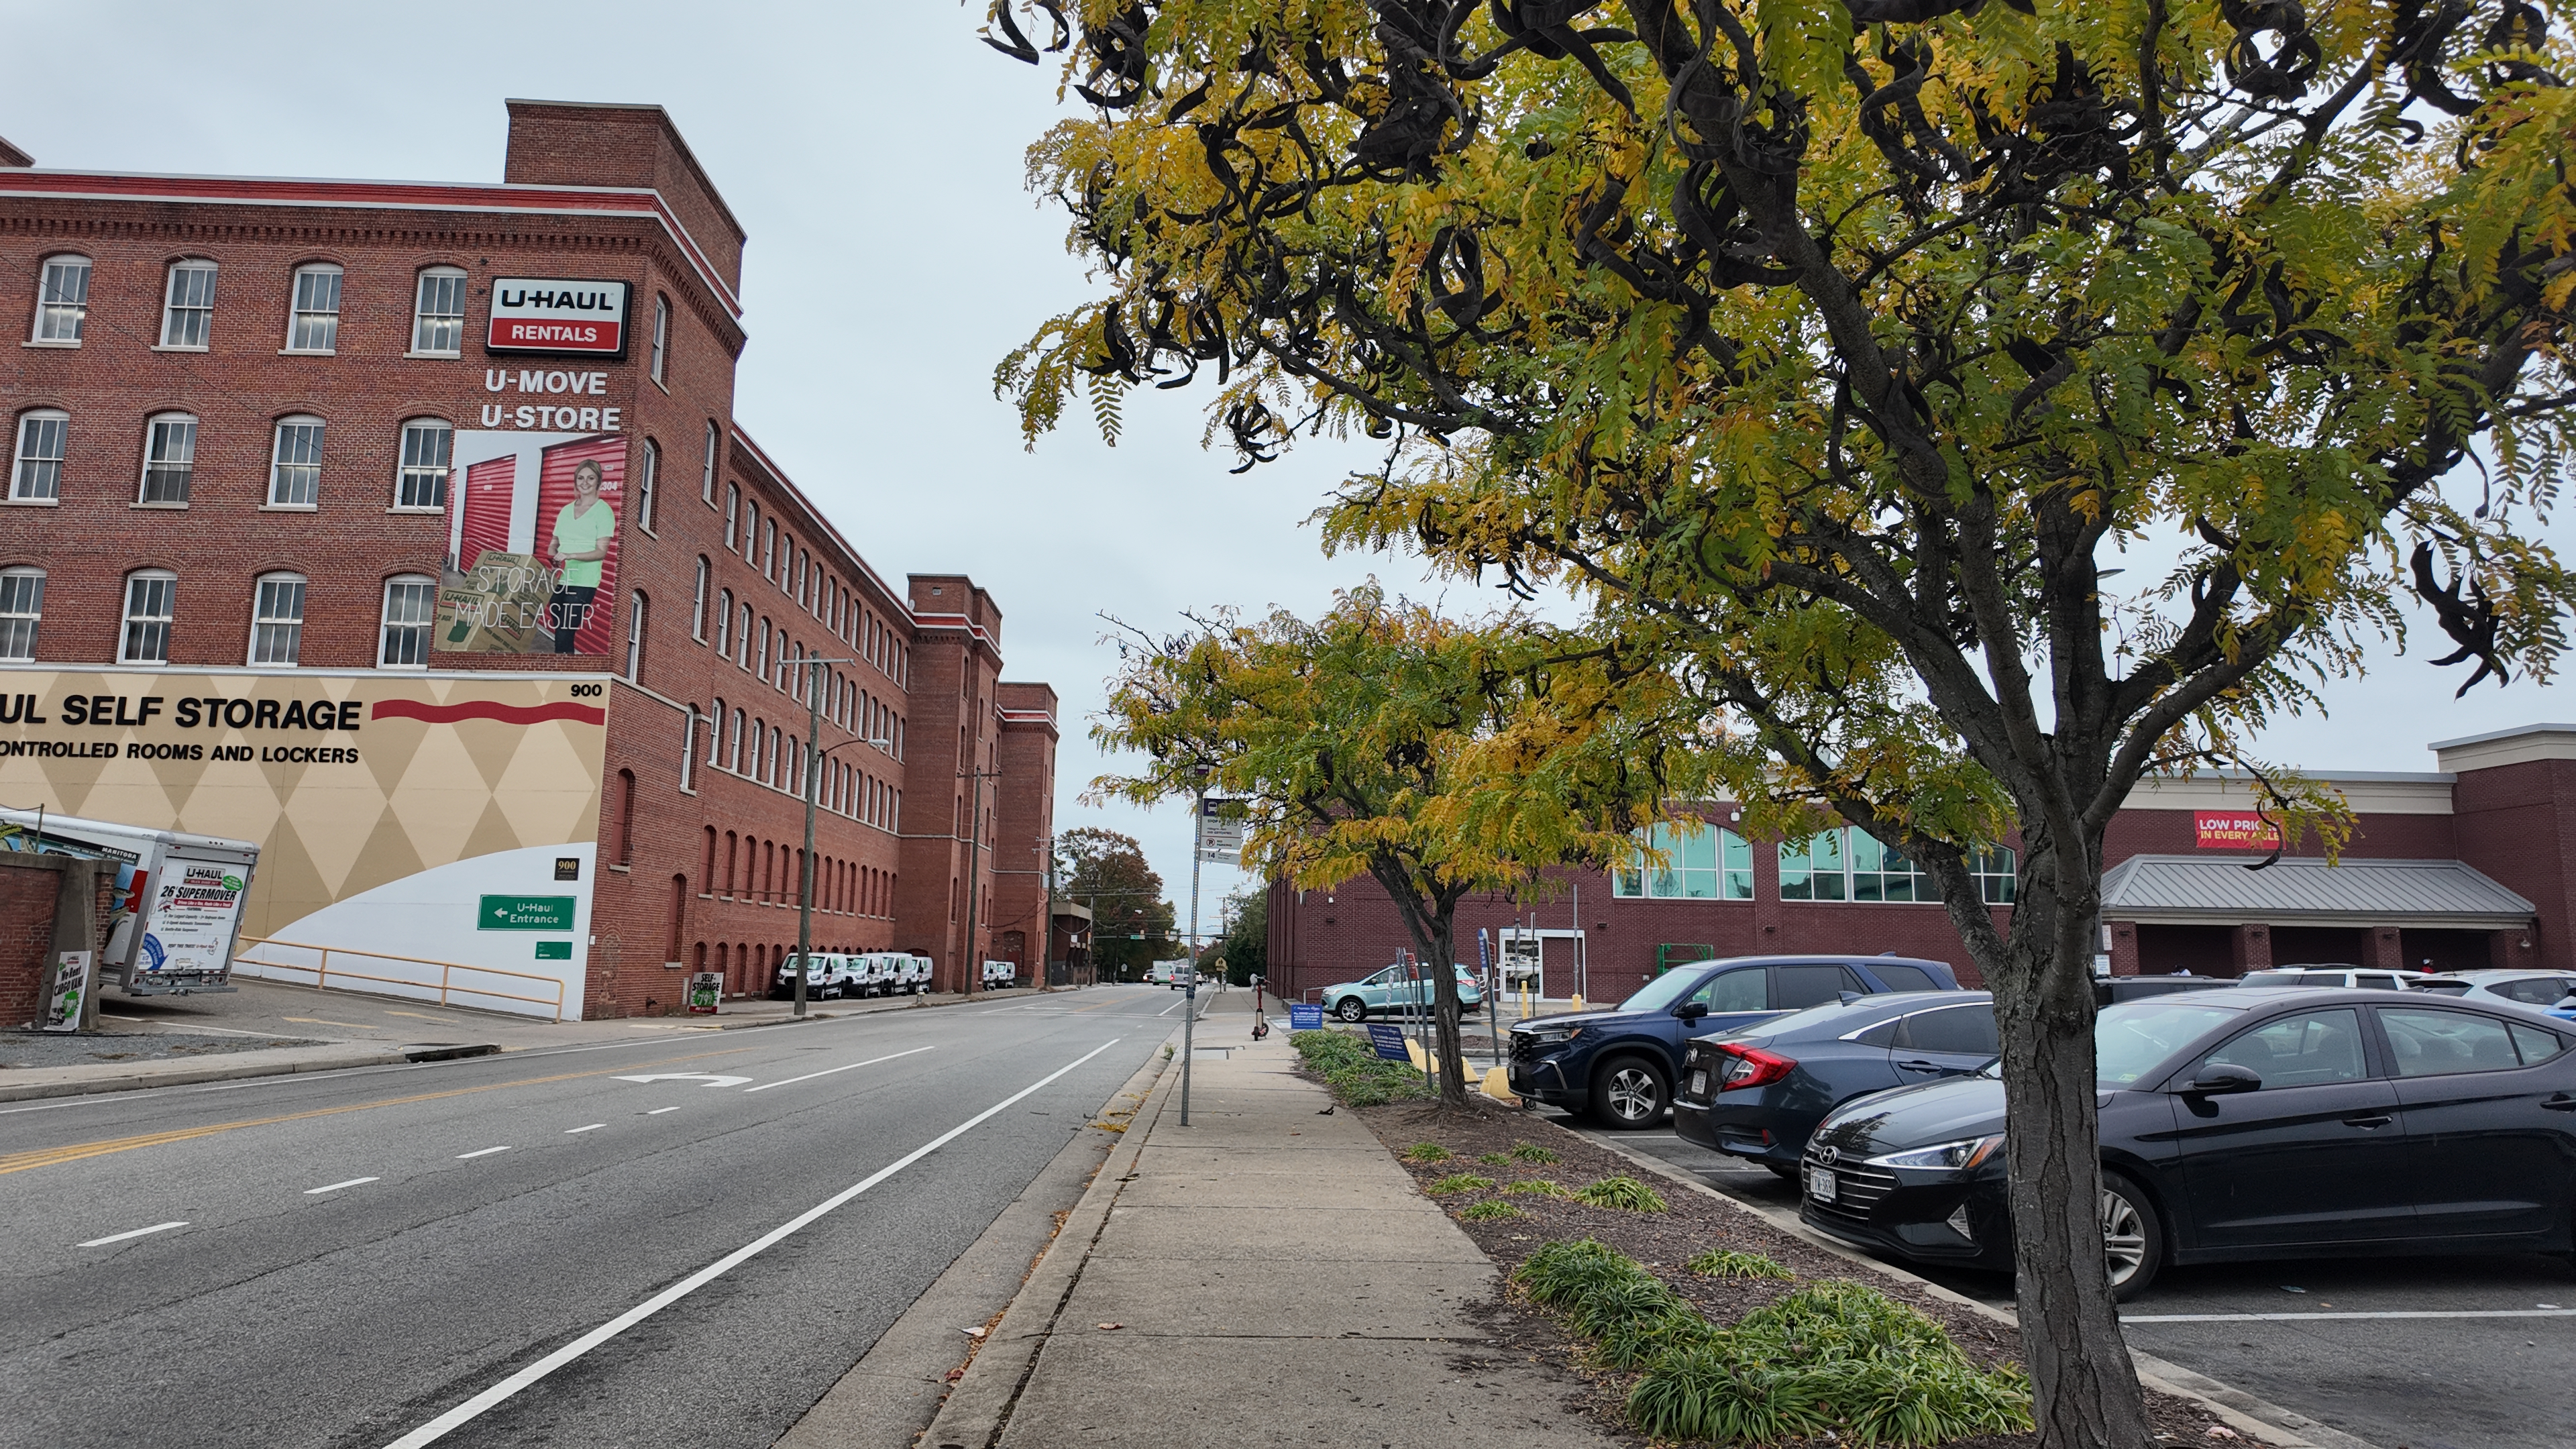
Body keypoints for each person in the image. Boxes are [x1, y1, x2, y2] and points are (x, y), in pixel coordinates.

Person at [547, 459, 616, 653]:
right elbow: (553, 544)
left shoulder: (604, 512)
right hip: (560, 580)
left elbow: (601, 552)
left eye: (590, 478)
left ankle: (562, 672)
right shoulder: (565, 510)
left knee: (565, 631)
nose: (585, 482)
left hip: (584, 582)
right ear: (575, 481)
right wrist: (553, 557)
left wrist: (570, 555)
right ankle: (565, 665)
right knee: (560, 628)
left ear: (598, 481)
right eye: (581, 478)